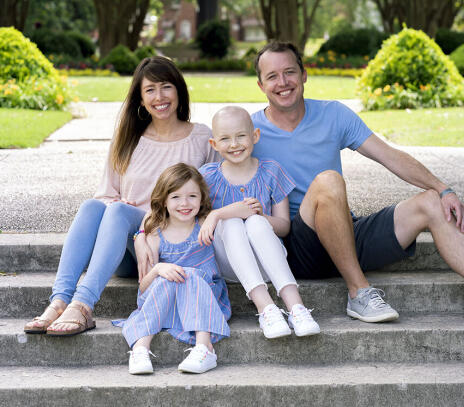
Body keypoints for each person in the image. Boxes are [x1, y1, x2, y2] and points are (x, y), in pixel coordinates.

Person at [250, 41, 464, 326]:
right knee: (328, 181)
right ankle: (359, 292)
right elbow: (215, 176)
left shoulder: (333, 114)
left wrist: (443, 189)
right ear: (261, 86)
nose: (282, 82)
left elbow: (389, 156)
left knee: (430, 202)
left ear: (304, 75)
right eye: (272, 76)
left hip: (345, 233)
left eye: (289, 72)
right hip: (298, 249)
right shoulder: (249, 132)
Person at [23, 56, 220, 336]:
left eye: (166, 87)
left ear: (179, 90)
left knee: (117, 211)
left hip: (174, 247)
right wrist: (138, 235)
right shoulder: (127, 139)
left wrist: (145, 231)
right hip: (132, 253)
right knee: (94, 206)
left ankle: (83, 304)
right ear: (140, 99)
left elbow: (209, 200)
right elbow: (106, 195)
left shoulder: (201, 137)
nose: (159, 96)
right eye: (150, 90)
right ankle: (59, 301)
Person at [198, 106, 320, 338]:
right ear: (214, 145)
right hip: (230, 264)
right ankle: (266, 309)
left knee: (255, 222)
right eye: (225, 139)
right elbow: (202, 225)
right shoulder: (206, 176)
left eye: (241, 136)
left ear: (255, 136)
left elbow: (284, 227)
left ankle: (297, 308)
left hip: (268, 261)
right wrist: (219, 214)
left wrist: (260, 216)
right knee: (232, 223)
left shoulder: (271, 171)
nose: (234, 144)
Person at [113, 163, 230, 375]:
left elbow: (247, 209)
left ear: (202, 198)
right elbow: (144, 289)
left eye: (192, 196)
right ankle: (140, 349)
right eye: (175, 197)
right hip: (167, 302)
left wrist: (216, 215)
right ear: (164, 201)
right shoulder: (156, 235)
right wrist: (158, 269)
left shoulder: (204, 223)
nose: (184, 203)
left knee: (190, 274)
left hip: (204, 299)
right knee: (167, 275)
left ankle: (205, 348)